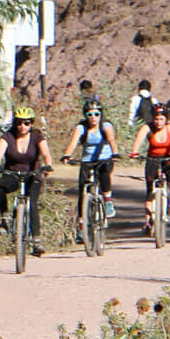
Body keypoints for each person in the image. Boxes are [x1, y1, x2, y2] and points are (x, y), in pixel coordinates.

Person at [0, 104, 53, 256]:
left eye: (26, 123)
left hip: (33, 174)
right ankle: (6, 217)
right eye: (19, 122)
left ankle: (37, 241)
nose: (22, 126)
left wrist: (47, 165)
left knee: (32, 203)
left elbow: (46, 155)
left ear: (31, 123)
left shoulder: (37, 137)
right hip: (13, 173)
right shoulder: (8, 136)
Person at [62, 97, 120, 237]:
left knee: (105, 173)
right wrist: (67, 155)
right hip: (87, 161)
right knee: (83, 190)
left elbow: (111, 140)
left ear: (101, 114)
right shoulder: (81, 127)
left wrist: (115, 152)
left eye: (96, 114)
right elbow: (74, 142)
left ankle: (107, 201)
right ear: (85, 115)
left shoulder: (105, 126)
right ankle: (81, 225)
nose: (93, 117)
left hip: (104, 158)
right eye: (90, 114)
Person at [129, 102, 170, 233]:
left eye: (161, 119)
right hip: (152, 158)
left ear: (166, 118)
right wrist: (134, 152)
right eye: (156, 119)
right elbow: (139, 139)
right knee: (150, 189)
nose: (158, 122)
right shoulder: (147, 127)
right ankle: (148, 221)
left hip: (169, 157)